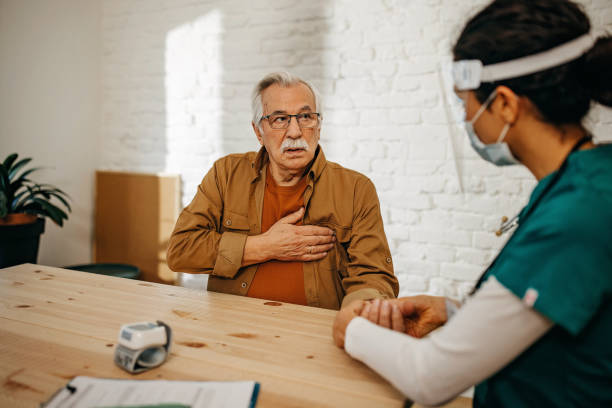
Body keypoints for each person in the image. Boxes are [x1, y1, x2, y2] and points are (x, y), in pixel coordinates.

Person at [333, 0, 612, 406]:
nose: (466, 116)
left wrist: (349, 329)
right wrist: (454, 312)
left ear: (503, 104)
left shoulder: (578, 215)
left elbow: (428, 378)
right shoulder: (587, 178)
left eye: (465, 101)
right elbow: (562, 315)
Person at [167, 72, 399, 310]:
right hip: (232, 327)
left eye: (306, 116)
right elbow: (181, 250)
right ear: (259, 132)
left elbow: (374, 277)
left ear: (318, 126)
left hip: (314, 335)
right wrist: (265, 247)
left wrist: (362, 312)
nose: (295, 132)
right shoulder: (226, 174)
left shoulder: (355, 190)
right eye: (280, 119)